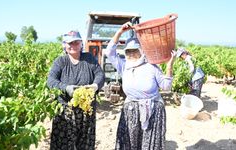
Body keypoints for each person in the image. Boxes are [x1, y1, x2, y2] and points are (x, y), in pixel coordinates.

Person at [104, 22, 176, 150]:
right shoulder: (124, 65)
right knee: (130, 144)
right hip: (131, 110)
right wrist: (120, 31)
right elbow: (109, 52)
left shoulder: (152, 67)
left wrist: (169, 66)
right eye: (128, 51)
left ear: (141, 51)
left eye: (134, 50)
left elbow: (166, 86)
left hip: (153, 111)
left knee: (149, 145)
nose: (131, 54)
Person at [47, 30, 105, 150]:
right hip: (66, 112)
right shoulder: (61, 61)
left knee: (85, 142)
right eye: (70, 43)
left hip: (86, 111)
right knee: (63, 143)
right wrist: (66, 88)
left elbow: (100, 74)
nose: (73, 46)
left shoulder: (88, 58)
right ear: (64, 45)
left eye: (76, 43)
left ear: (81, 44)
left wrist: (95, 85)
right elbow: (51, 81)